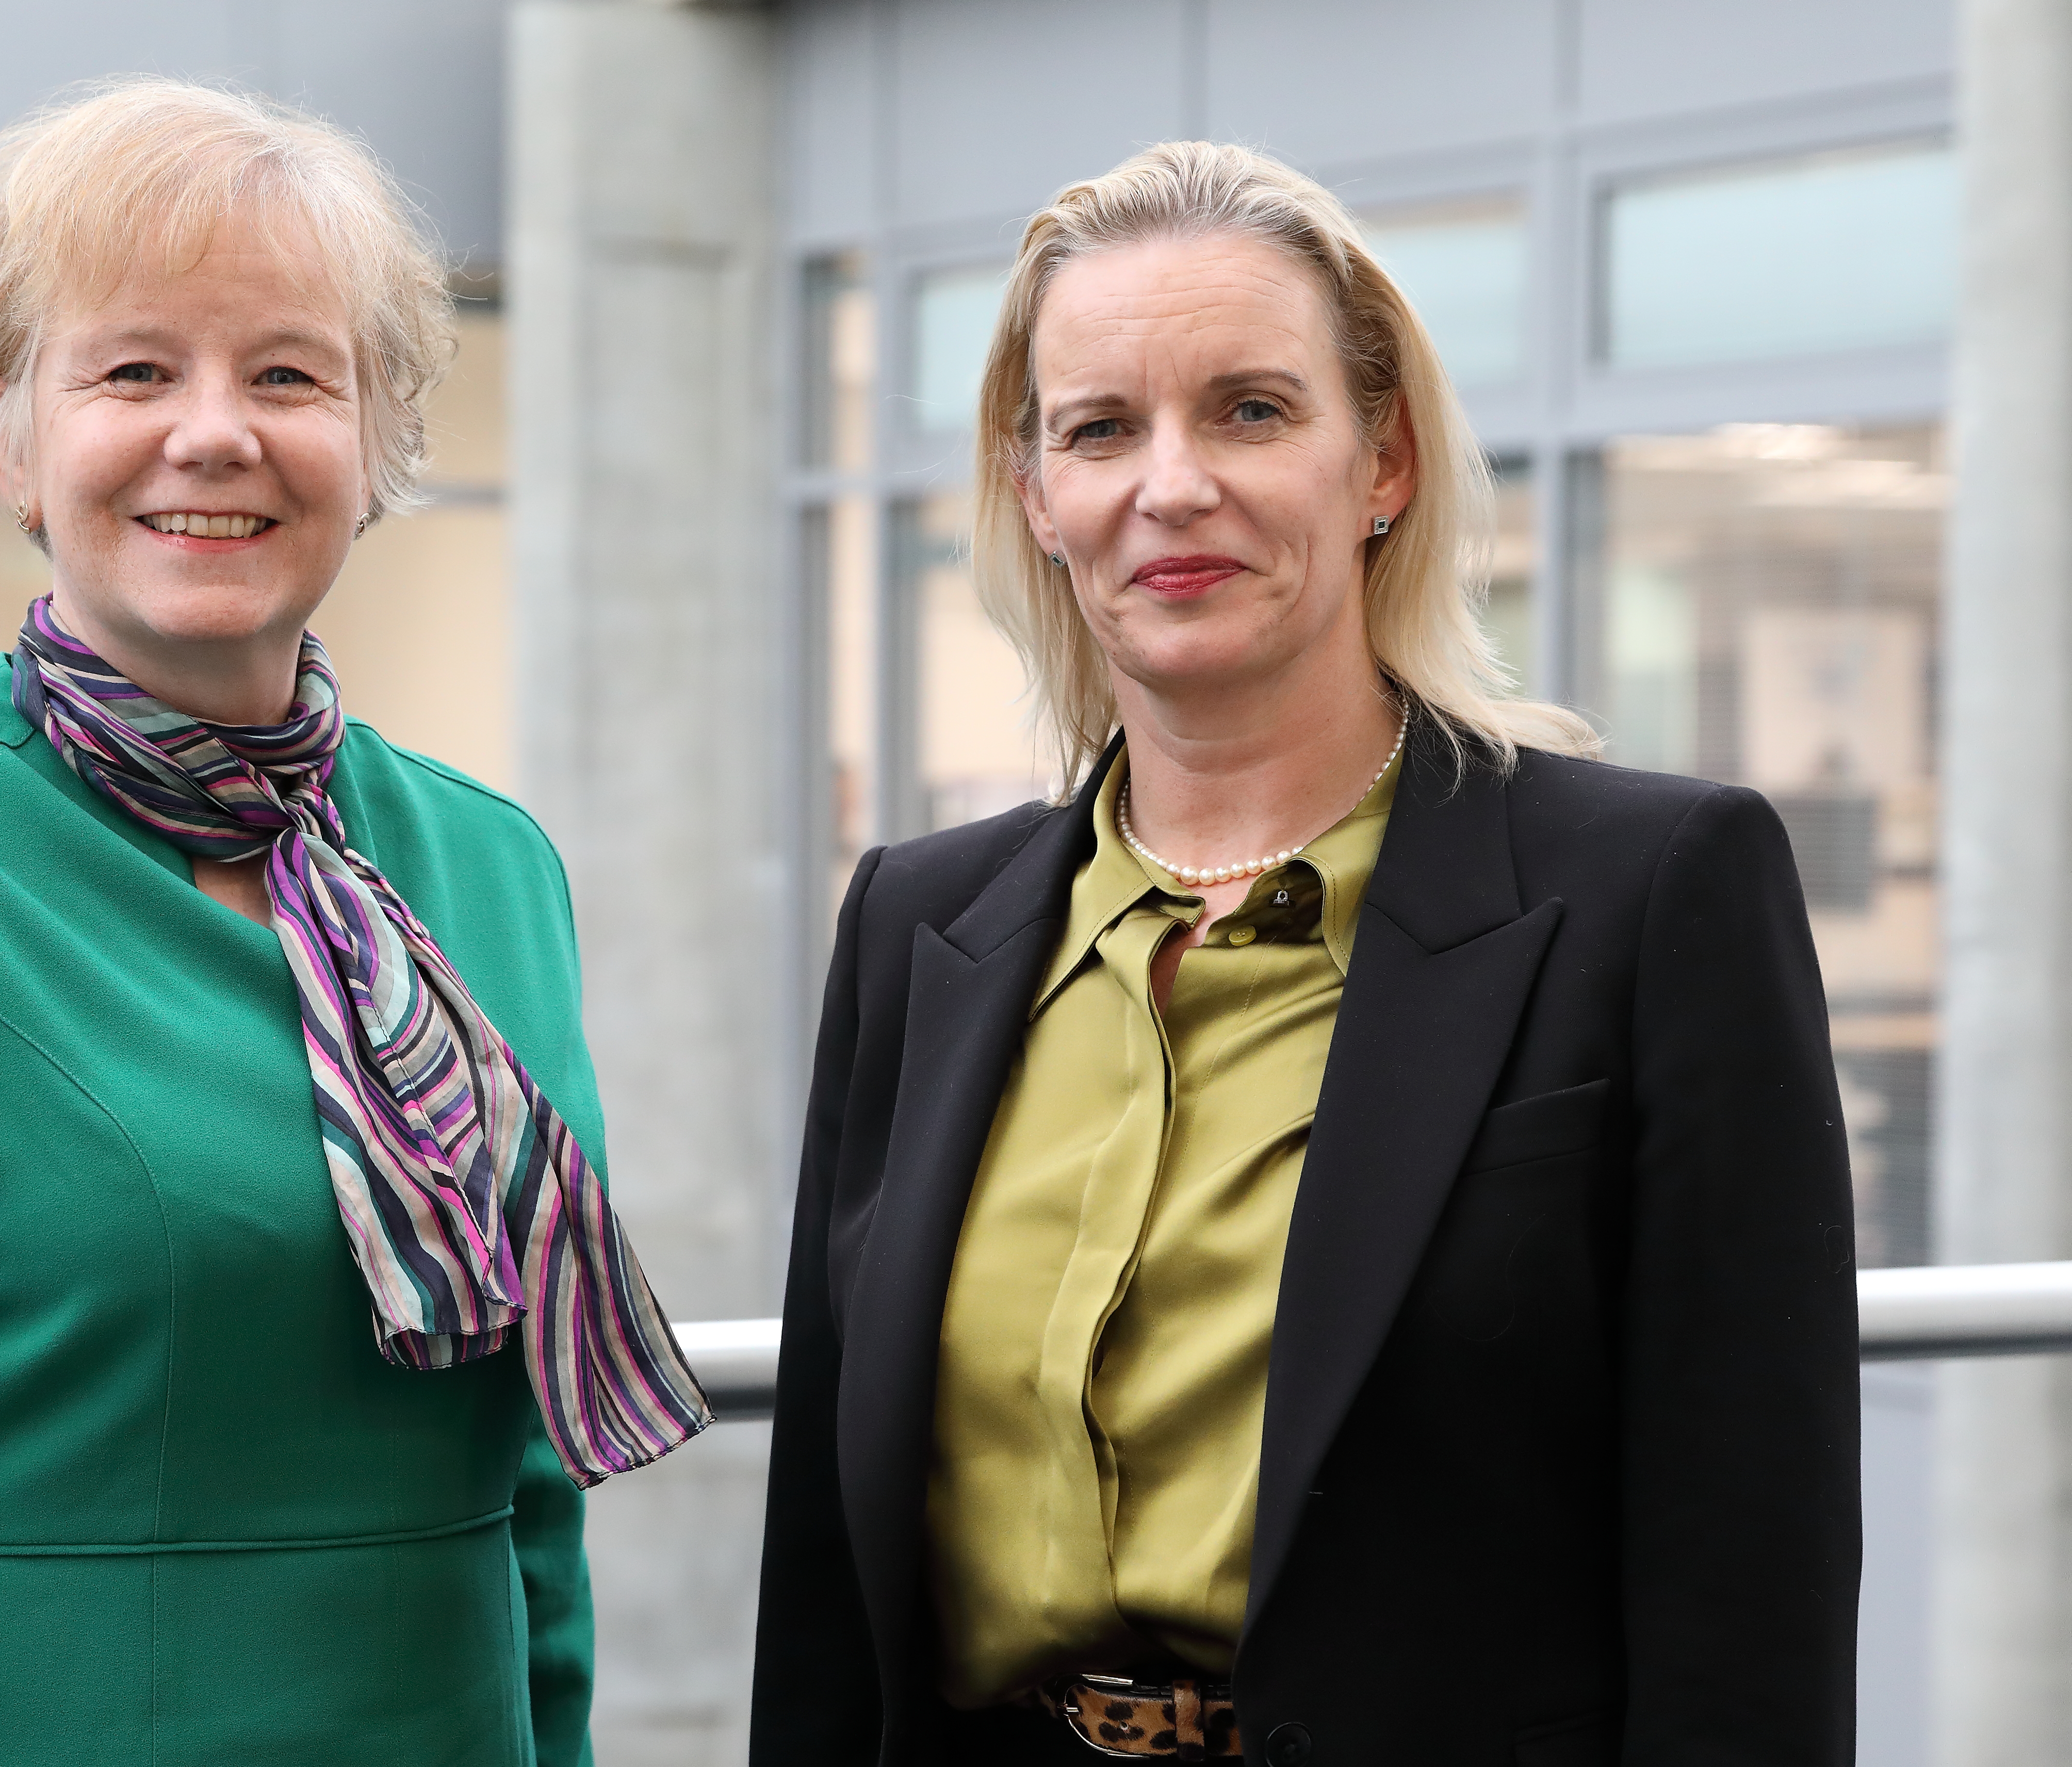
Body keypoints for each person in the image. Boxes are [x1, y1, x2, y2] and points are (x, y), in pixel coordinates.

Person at [0, 78, 707, 1767]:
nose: (216, 431)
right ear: (7, 434)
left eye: (288, 373)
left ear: (377, 444)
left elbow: (530, 1494)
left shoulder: (492, 866)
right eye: (133, 369)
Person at [751, 141, 1858, 1767]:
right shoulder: (920, 923)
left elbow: (1746, 1573)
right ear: (1034, 494)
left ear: (1384, 461)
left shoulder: (1652, 891)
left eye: (1250, 410)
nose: (1170, 484)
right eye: (1099, 428)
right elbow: (827, 1578)